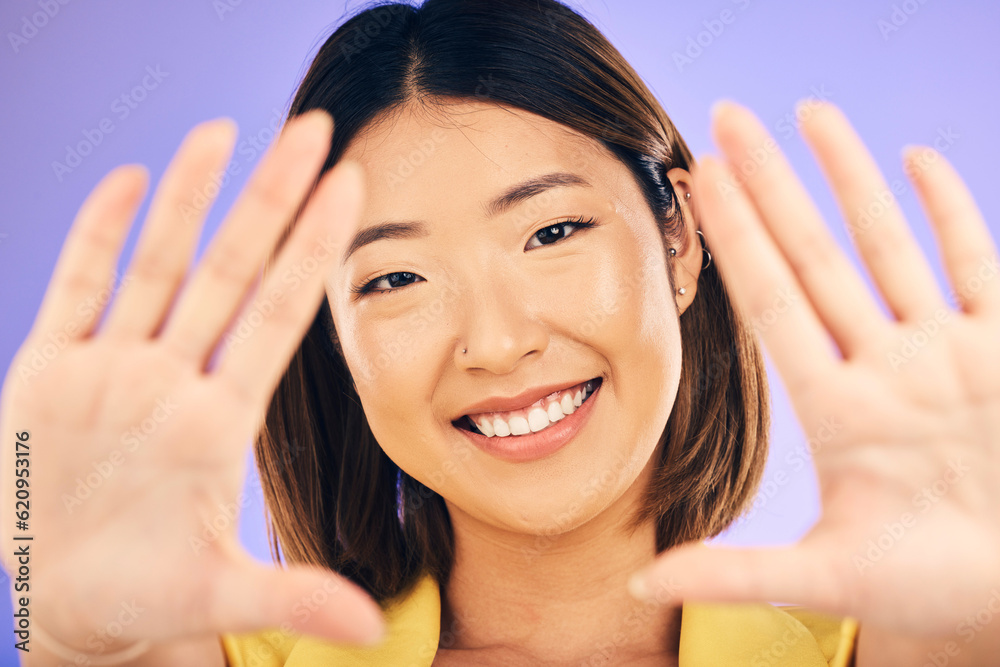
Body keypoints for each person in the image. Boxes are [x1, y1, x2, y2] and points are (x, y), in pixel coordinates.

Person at [3, 0, 998, 665]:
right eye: (394, 276)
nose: (494, 340)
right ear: (334, 340)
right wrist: (67, 639)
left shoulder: (897, 639)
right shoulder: (209, 651)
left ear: (680, 237)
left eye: (551, 230)